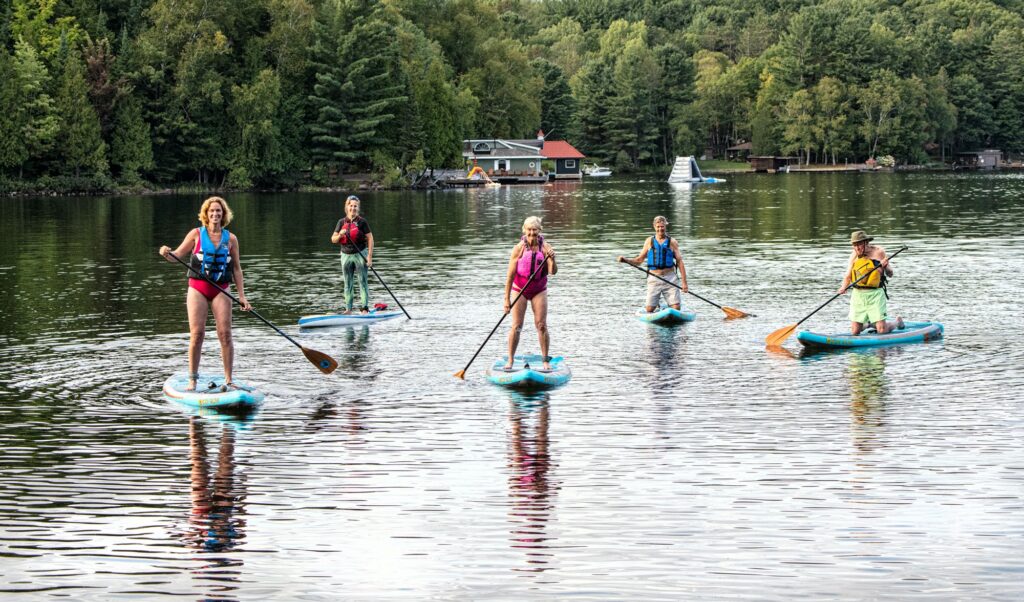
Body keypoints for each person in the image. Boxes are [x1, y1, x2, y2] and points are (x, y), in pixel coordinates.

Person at [159, 196, 251, 392]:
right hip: (197, 289)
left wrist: (242, 296)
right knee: (197, 334)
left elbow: (236, 269)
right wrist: (166, 253)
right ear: (206, 214)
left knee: (225, 334)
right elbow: (176, 257)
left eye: (219, 211)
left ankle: (229, 379)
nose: (215, 214)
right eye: (212, 211)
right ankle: (192, 380)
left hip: (222, 289)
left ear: (223, 214)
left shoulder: (231, 239)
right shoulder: (196, 234)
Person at [504, 216, 557, 371]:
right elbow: (510, 276)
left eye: (535, 230)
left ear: (539, 231)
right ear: (524, 230)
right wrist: (506, 300)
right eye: (529, 230)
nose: (532, 233)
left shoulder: (546, 247)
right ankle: (511, 360)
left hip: (539, 290)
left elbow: (553, 272)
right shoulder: (518, 248)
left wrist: (552, 260)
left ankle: (545, 360)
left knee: (541, 325)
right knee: (516, 325)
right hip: (519, 289)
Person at [617, 216, 688, 312]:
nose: (660, 229)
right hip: (654, 277)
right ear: (654, 226)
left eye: (662, 226)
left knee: (676, 308)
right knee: (649, 310)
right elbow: (639, 260)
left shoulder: (672, 242)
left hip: (670, 277)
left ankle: (670, 304)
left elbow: (680, 262)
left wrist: (684, 283)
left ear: (665, 226)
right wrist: (626, 260)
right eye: (658, 226)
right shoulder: (649, 241)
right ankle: (657, 305)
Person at [838, 230, 903, 335]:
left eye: (859, 244)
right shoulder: (854, 255)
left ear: (866, 242)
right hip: (858, 295)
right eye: (855, 245)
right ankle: (868, 324)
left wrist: (885, 266)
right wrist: (843, 287)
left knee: (882, 330)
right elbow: (848, 276)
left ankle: (897, 322)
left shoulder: (879, 252)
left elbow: (890, 274)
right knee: (855, 332)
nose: (857, 248)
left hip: (875, 294)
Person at [331, 195, 374, 314]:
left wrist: (369, 256)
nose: (353, 208)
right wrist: (340, 235)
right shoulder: (341, 222)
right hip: (345, 256)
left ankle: (364, 308)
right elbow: (333, 239)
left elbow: (370, 238)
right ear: (347, 207)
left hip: (360, 255)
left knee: (362, 281)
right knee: (347, 282)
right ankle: (348, 309)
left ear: (358, 208)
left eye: (355, 206)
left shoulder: (362, 222)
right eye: (351, 206)